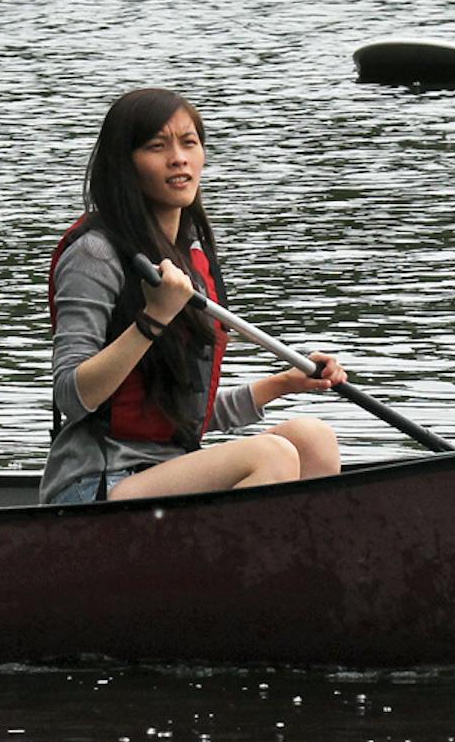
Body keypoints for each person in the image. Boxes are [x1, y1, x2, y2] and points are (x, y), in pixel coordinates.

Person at [39, 88, 347, 506]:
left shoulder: (191, 259)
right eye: (156, 146)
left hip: (169, 471)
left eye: (189, 143)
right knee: (270, 456)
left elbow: (184, 416)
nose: (179, 158)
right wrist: (152, 320)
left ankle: (294, 563)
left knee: (313, 439)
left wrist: (284, 384)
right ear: (124, 163)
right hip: (98, 483)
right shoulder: (95, 254)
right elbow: (72, 398)